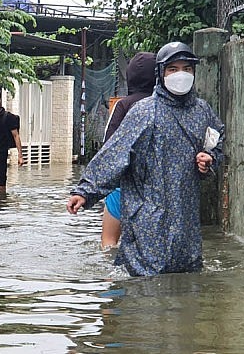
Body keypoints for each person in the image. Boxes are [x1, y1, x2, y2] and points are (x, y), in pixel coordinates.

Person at [66, 42, 225, 276]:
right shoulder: (144, 112)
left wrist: (209, 159)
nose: (180, 75)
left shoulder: (202, 111)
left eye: (186, 69)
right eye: (173, 69)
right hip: (147, 215)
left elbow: (217, 141)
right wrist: (85, 191)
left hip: (186, 217)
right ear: (161, 73)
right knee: (145, 285)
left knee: (186, 279)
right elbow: (114, 155)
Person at [99, 52, 157, 249]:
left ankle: (110, 279)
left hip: (122, 187)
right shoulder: (167, 106)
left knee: (109, 243)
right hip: (157, 189)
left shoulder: (123, 105)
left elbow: (108, 148)